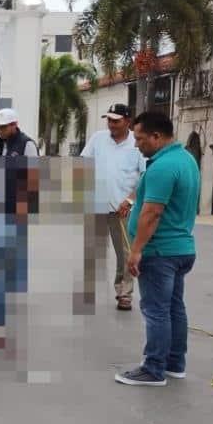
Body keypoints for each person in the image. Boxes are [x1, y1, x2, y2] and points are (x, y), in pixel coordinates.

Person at [115, 111, 200, 387]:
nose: (137, 144)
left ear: (157, 136)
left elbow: (152, 213)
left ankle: (153, 368)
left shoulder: (163, 166)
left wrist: (136, 250)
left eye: (140, 139)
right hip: (182, 248)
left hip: (160, 251)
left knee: (156, 310)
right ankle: (175, 363)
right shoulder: (186, 159)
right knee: (174, 306)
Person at [81, 104, 146, 311]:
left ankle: (124, 293)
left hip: (123, 210)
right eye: (109, 120)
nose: (111, 124)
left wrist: (130, 200)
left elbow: (145, 176)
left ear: (128, 121)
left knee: (125, 253)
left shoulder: (137, 145)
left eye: (116, 120)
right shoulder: (98, 139)